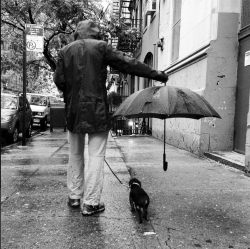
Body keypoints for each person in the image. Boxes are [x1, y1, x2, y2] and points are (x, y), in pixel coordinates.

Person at [53, 20, 168, 216]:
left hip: (74, 112)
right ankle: (90, 202)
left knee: (75, 154)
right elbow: (128, 63)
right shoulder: (101, 47)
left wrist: (72, 94)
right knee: (96, 156)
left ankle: (74, 197)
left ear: (78, 33)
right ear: (96, 33)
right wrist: (156, 74)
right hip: (97, 110)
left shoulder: (65, 51)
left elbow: (59, 80)